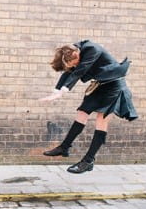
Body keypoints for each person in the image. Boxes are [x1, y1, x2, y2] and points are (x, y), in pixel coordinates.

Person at [40, 40, 138, 173]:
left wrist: (62, 92)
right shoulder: (70, 51)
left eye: (75, 63)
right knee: (82, 113)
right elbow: (70, 72)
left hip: (114, 86)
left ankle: (88, 161)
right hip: (100, 84)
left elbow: (79, 72)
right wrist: (56, 92)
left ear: (76, 54)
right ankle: (64, 148)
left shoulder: (92, 49)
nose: (75, 66)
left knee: (101, 120)